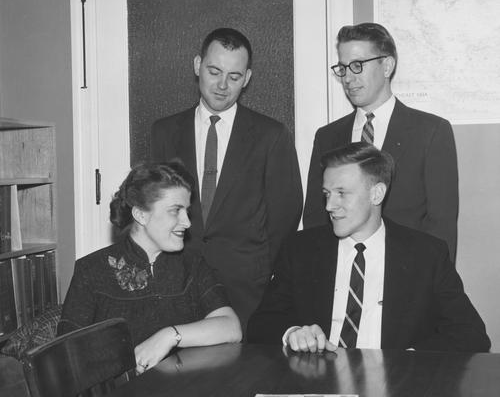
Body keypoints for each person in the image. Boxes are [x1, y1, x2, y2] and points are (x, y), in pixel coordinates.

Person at [247, 142, 490, 353]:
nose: (330, 205)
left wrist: (409, 358)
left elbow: (471, 334)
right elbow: (261, 324)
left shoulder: (426, 255)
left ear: (377, 194)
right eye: (326, 193)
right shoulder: (300, 249)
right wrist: (293, 333)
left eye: (342, 193)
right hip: (318, 382)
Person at [150, 28, 303, 333]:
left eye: (234, 77)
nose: (222, 85)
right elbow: (155, 208)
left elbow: (285, 214)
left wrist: (260, 272)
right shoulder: (163, 132)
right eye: (214, 71)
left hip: (247, 291)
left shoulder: (272, 136)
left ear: (247, 78)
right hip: (178, 283)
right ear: (197, 65)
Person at [58, 162, 241, 373]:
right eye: (175, 211)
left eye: (187, 211)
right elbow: (65, 358)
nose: (187, 222)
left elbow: (231, 327)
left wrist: (169, 336)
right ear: (141, 215)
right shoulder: (91, 270)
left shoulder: (194, 265)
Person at [303, 22, 458, 261]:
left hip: (407, 273)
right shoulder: (327, 136)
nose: (348, 78)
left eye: (357, 66)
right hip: (342, 276)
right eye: (343, 68)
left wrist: (431, 287)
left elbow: (441, 223)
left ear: (387, 66)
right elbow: (315, 216)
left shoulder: (431, 131)